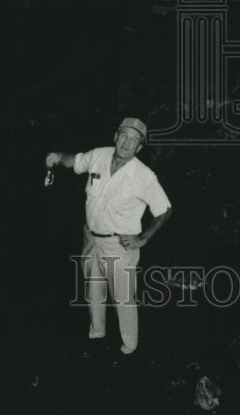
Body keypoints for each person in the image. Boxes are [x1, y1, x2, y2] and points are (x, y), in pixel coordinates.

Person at [45, 117, 172, 357]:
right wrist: (58, 156)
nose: (126, 143)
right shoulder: (99, 155)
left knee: (123, 299)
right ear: (115, 136)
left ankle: (130, 346)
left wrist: (142, 238)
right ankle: (97, 333)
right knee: (93, 290)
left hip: (119, 246)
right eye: (123, 135)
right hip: (91, 239)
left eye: (134, 140)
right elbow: (76, 161)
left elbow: (165, 209)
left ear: (139, 148)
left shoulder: (144, 177)